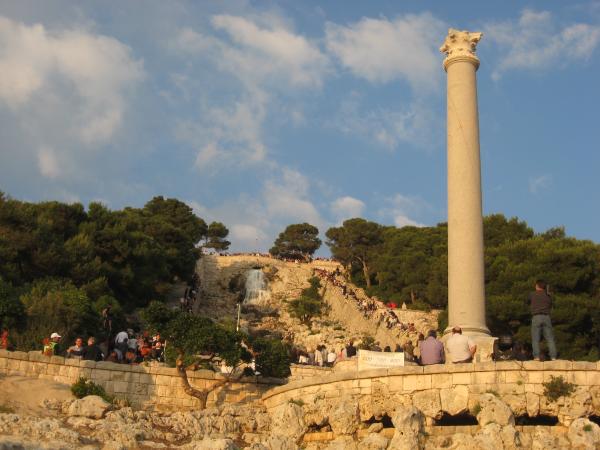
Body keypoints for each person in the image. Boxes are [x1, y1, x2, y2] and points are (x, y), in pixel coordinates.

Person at [529, 279, 557, 360]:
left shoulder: (532, 294)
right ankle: (553, 356)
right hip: (546, 317)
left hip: (536, 317)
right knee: (550, 338)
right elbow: (551, 303)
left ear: (537, 286)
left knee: (535, 338)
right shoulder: (549, 296)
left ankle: (536, 356)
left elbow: (528, 301)